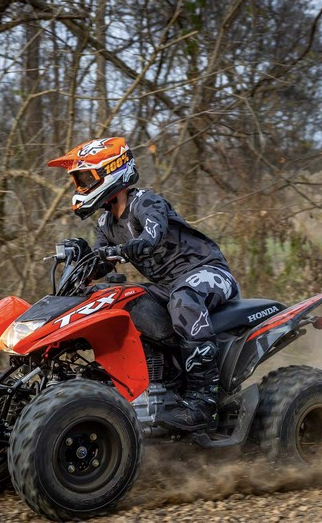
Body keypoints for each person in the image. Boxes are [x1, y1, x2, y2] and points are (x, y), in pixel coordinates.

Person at [47, 137, 239, 431]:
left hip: (207, 271)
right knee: (113, 299)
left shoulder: (146, 202)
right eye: (79, 180)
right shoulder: (106, 224)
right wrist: (82, 259)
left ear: (112, 171)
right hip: (166, 285)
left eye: (87, 178)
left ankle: (203, 402)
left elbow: (152, 237)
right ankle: (166, 384)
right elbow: (100, 263)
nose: (81, 186)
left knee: (184, 299)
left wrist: (126, 250)